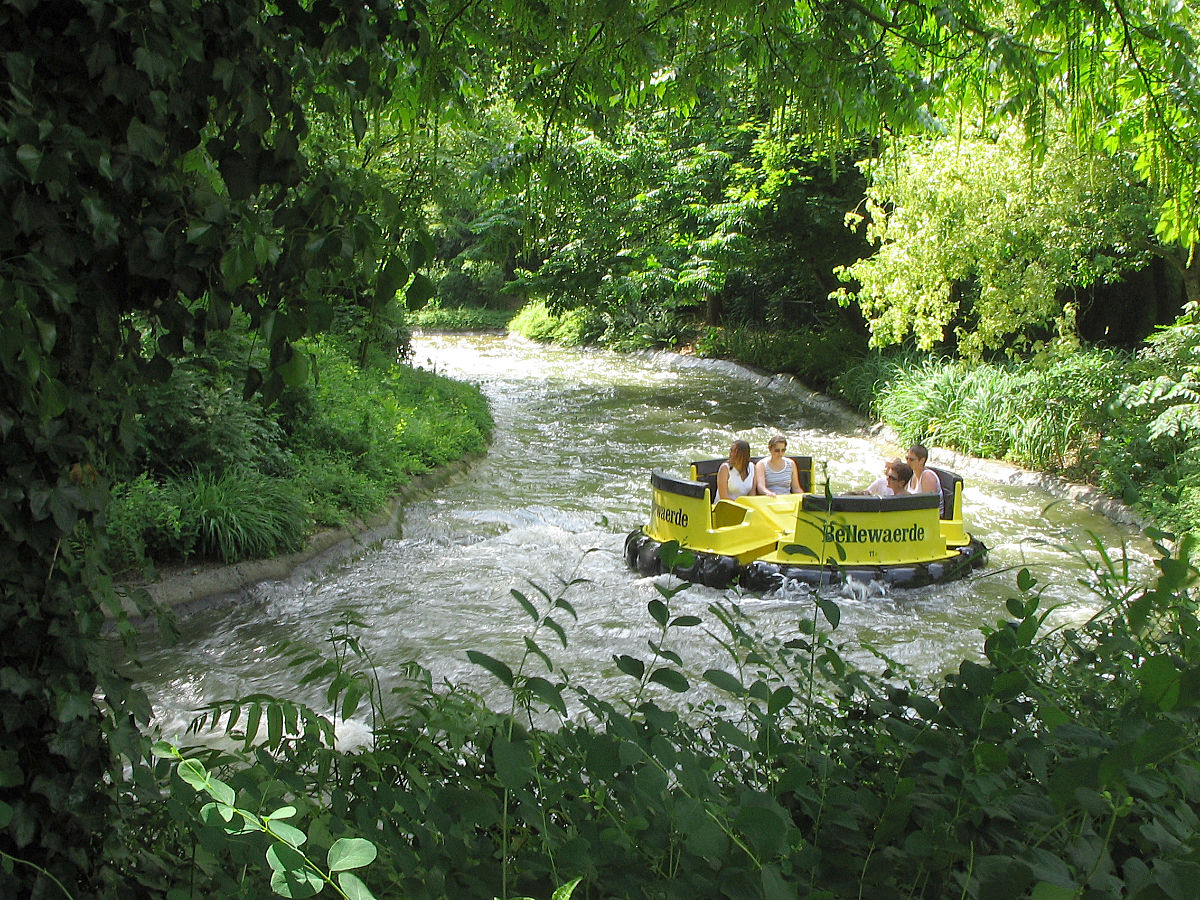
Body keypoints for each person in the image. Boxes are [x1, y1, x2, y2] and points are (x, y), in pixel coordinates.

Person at [905, 444, 944, 515]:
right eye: (907, 458)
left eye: (911, 460)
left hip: (934, 519)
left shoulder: (927, 476)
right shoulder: (911, 474)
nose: (908, 462)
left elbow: (929, 507)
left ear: (922, 460)